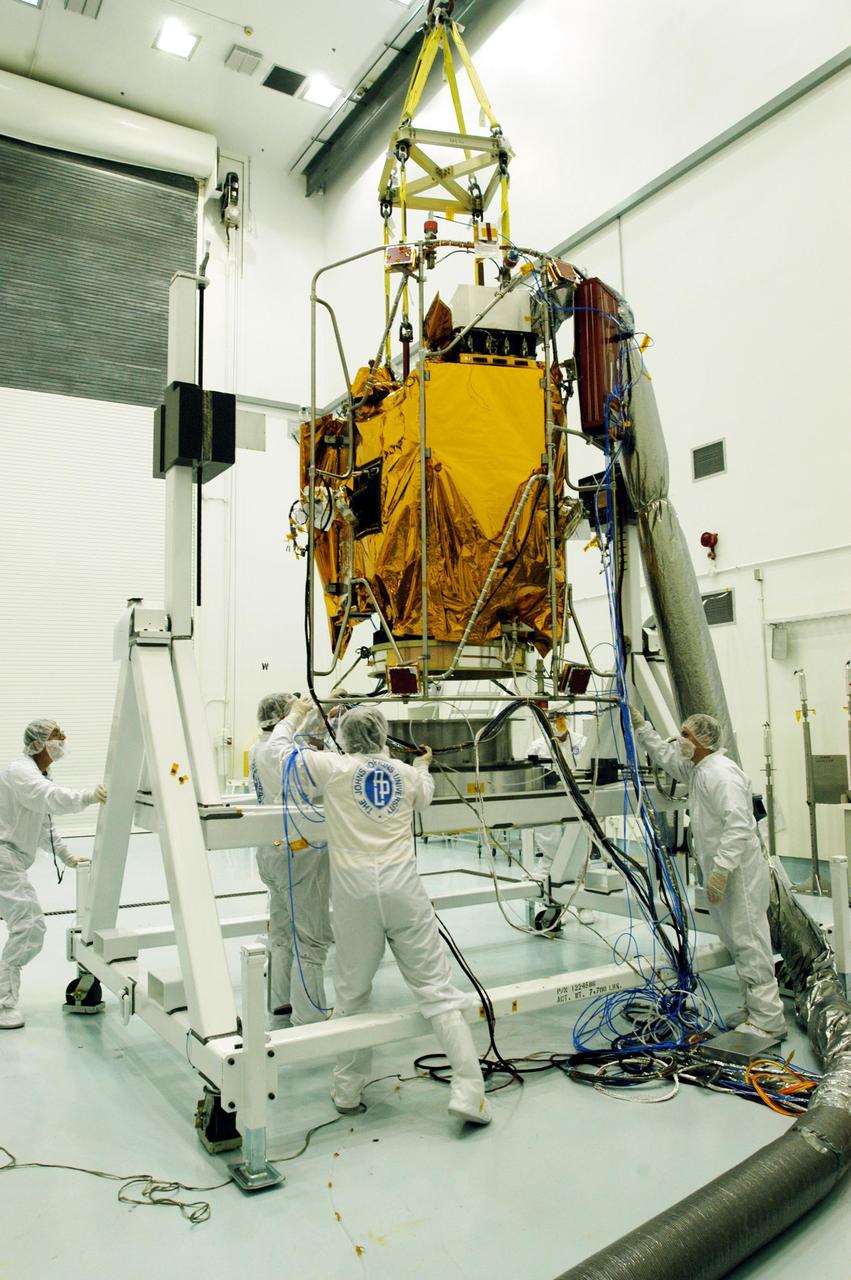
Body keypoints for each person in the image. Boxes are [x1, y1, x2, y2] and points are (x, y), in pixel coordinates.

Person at [283, 699, 491, 1127]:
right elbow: (425, 797)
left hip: (354, 892)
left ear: (345, 736)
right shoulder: (407, 774)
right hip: (403, 889)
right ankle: (470, 1093)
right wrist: (424, 765)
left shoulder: (332, 768)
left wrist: (301, 714)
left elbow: (279, 758)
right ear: (381, 734)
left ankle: (346, 1089)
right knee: (436, 991)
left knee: (352, 993)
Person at [629, 706, 786, 1039]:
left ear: (702, 740)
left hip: (738, 872)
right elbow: (666, 758)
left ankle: (768, 1019)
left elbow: (740, 824)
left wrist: (722, 870)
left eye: (686, 734)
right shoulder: (699, 769)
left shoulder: (721, 774)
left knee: (749, 940)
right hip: (721, 869)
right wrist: (642, 728)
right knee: (735, 939)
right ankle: (754, 1009)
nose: (680, 739)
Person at [0, 719, 107, 1030]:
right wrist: (88, 797)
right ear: (39, 743)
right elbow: (49, 798)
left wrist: (67, 856)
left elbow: (45, 825)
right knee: (30, 926)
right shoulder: (22, 772)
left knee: (24, 924)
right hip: (3, 855)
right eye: (56, 735)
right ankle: (3, 1002)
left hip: (11, 858)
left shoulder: (38, 773)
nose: (63, 739)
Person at [250, 693, 332, 1027]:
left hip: (269, 852)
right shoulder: (281, 753)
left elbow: (294, 741)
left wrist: (324, 710)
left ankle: (280, 1000)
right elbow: (302, 761)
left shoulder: (261, 747)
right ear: (286, 717)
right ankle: (309, 1017)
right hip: (298, 856)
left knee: (282, 930)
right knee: (310, 938)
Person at [527, 712, 594, 925]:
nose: (557, 721)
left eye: (560, 716)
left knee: (580, 851)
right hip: (549, 805)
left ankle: (584, 904)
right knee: (551, 852)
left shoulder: (582, 742)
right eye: (552, 717)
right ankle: (553, 906)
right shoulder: (537, 746)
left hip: (577, 801)